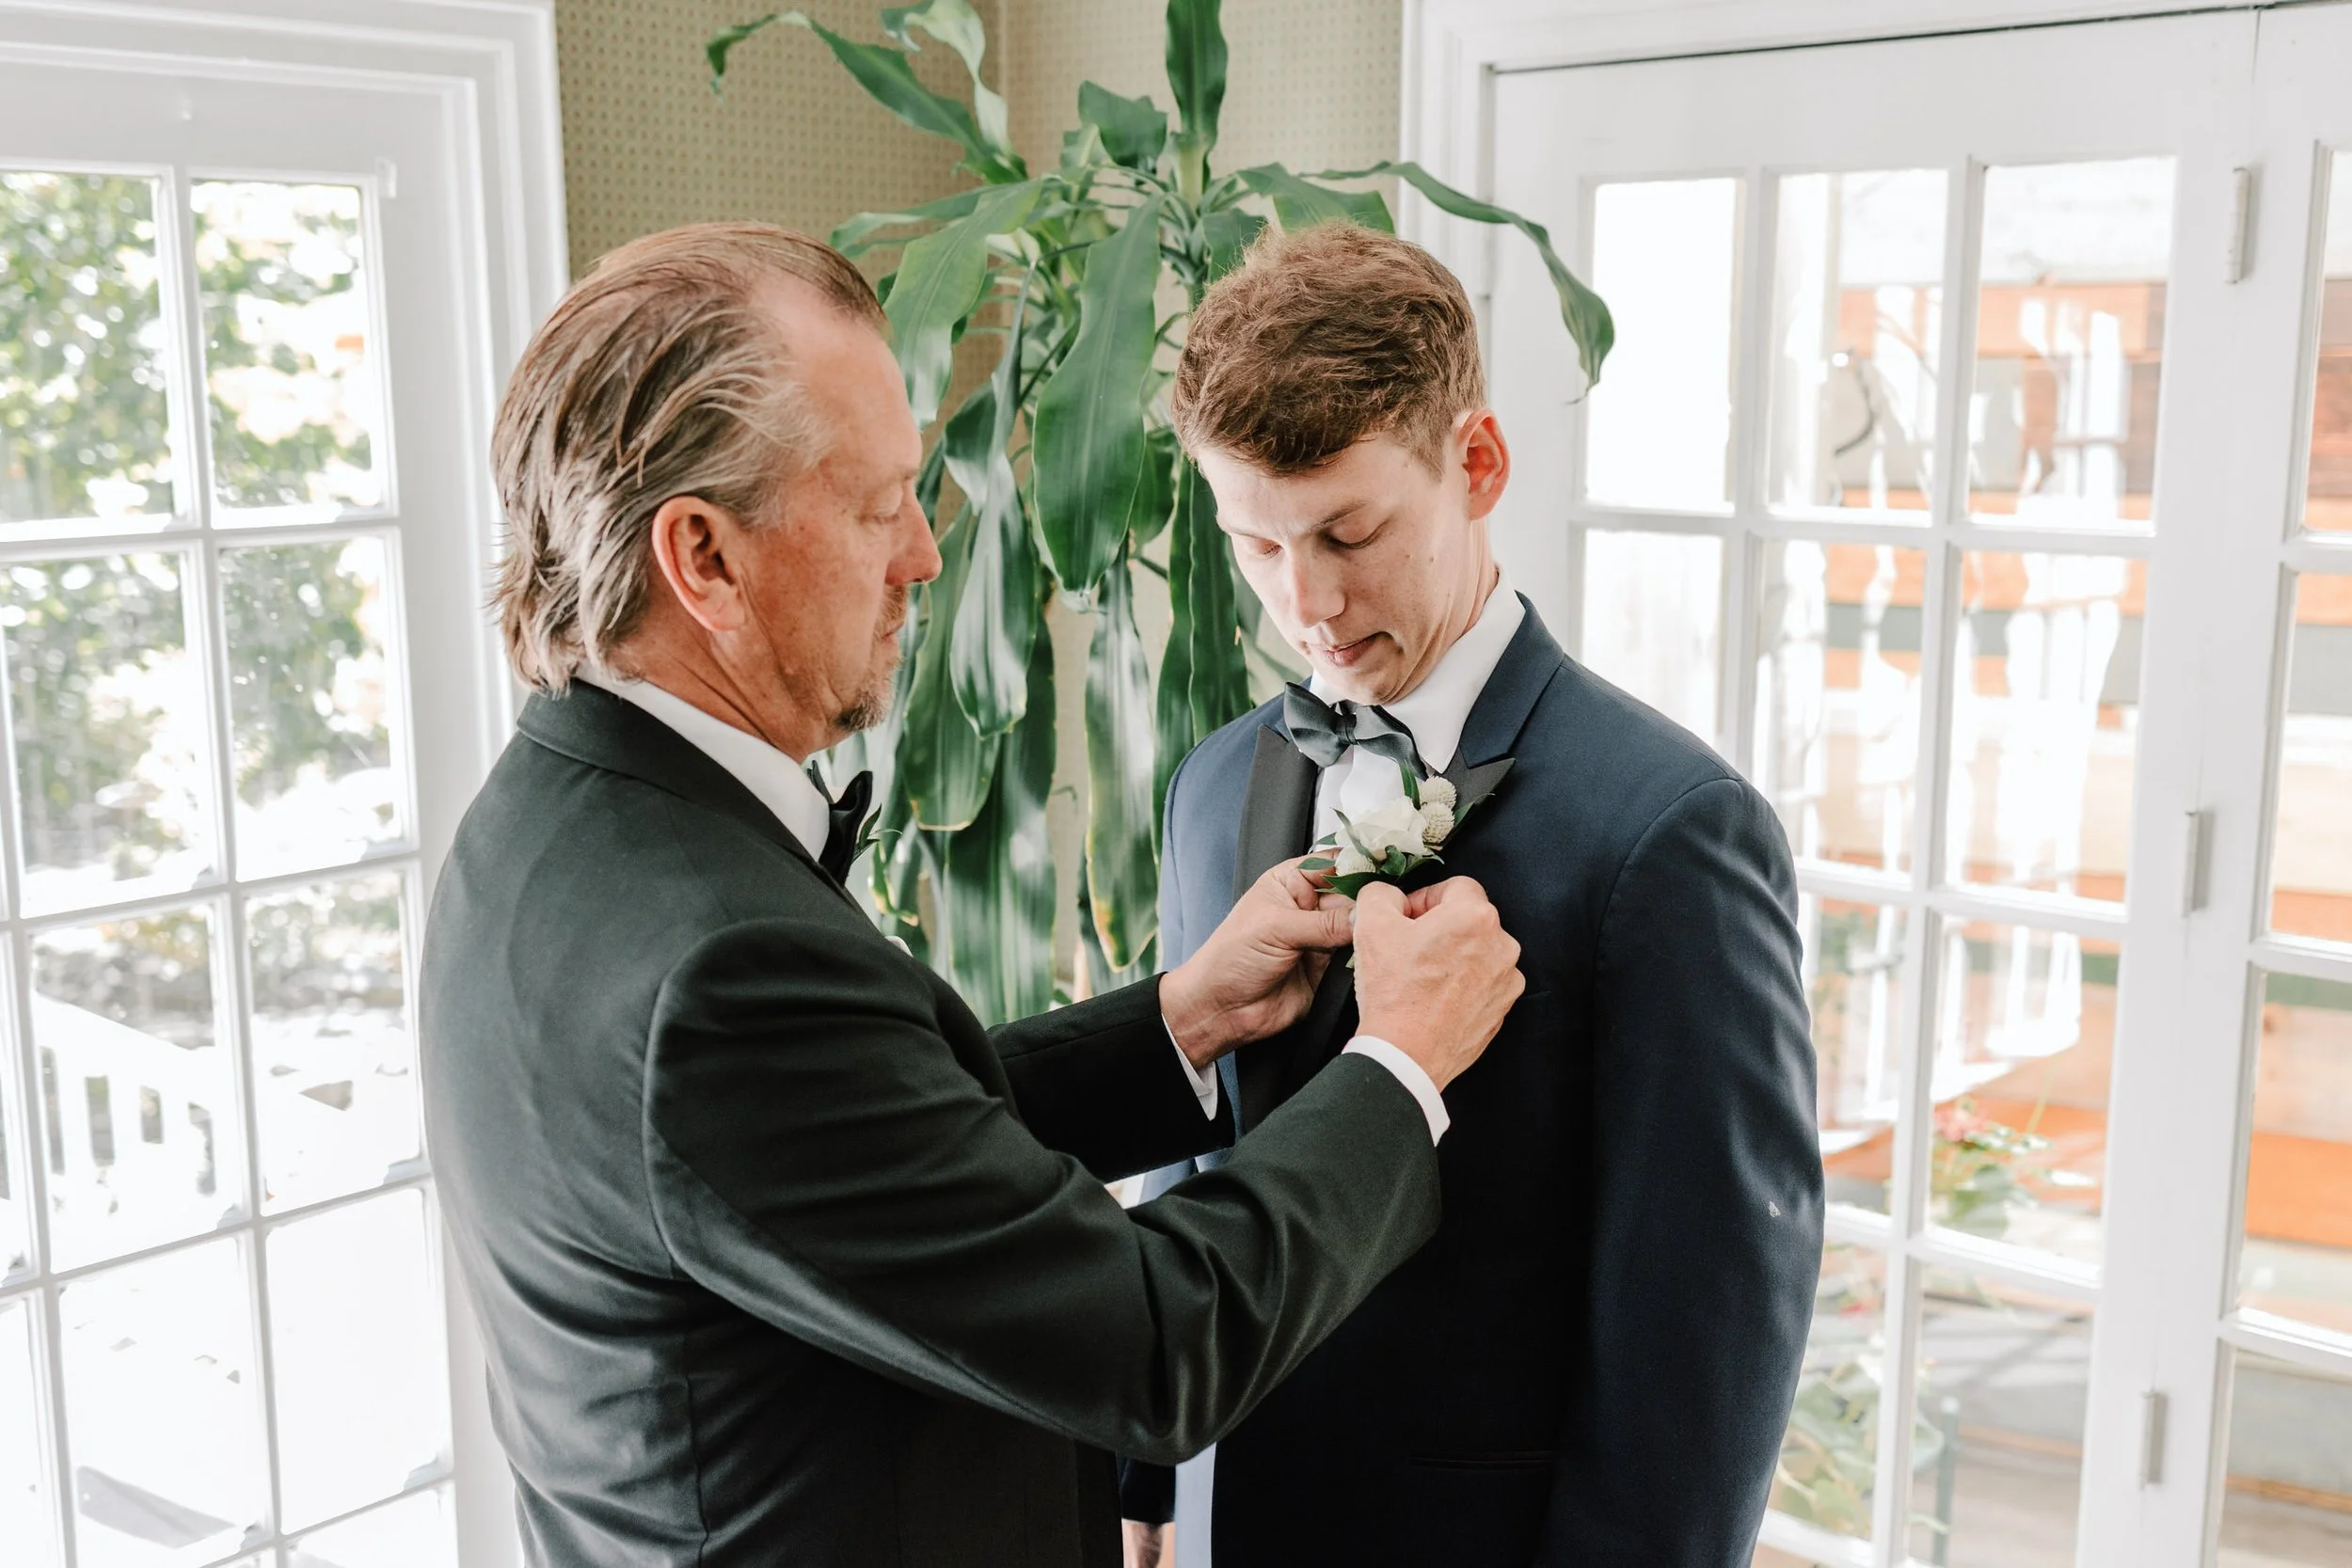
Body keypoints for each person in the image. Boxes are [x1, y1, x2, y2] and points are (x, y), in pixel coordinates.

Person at [419, 221, 1529, 1568]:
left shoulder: (535, 829)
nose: (924, 560)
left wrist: (1175, 1018)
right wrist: (1401, 1062)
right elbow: (1153, 1338)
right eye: (881, 506)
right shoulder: (722, 974)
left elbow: (846, 1155)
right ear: (702, 557)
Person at [1120, 223, 1822, 1568]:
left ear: (1477, 465)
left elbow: (1705, 1328)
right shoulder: (1213, 784)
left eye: (1351, 531)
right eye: (1257, 547)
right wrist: (1149, 1476)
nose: (1308, 604)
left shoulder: (1671, 831)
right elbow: (1191, 1156)